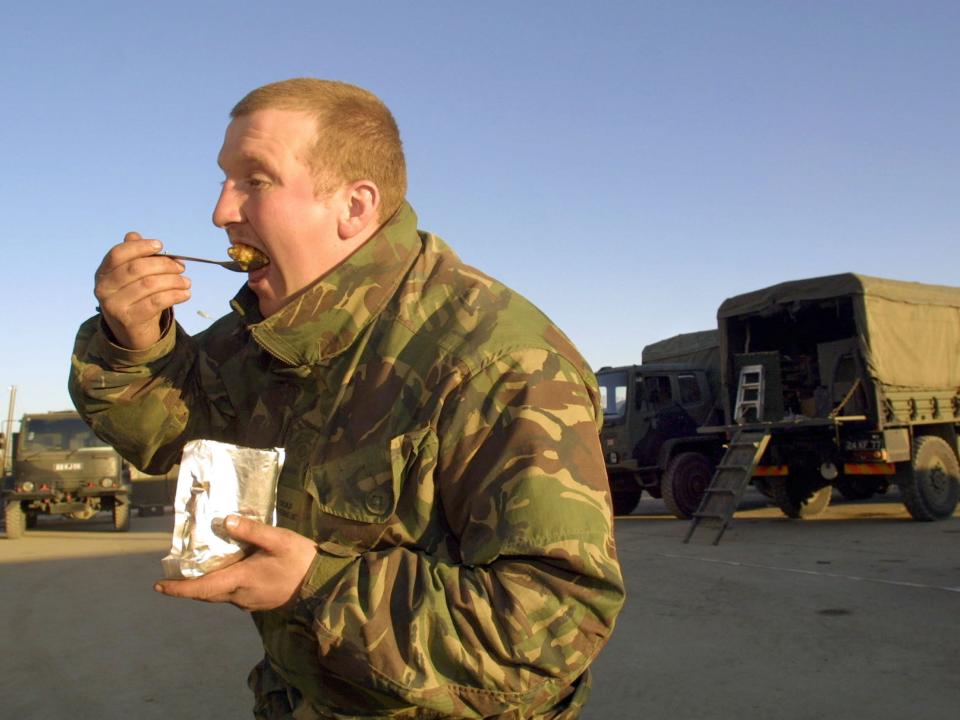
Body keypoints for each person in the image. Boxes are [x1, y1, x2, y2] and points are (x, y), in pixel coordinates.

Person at [70, 78, 625, 719]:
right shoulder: (268, 332)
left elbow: (549, 629)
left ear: (355, 207)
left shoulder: (497, 360)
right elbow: (171, 435)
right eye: (225, 180)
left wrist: (313, 585)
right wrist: (132, 341)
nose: (221, 211)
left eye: (256, 180)